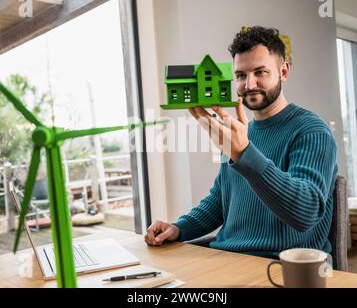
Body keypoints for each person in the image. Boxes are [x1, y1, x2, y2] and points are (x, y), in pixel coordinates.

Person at [144, 26, 338, 259]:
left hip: (280, 264)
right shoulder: (239, 132)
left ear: (284, 72)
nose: (249, 84)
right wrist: (179, 228)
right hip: (226, 257)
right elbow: (221, 200)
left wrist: (244, 153)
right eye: (241, 75)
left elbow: (305, 212)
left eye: (261, 72)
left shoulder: (311, 131)